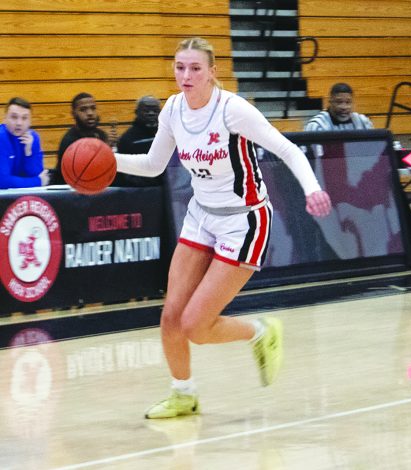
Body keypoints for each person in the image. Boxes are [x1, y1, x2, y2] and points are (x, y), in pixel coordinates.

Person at [114, 37, 332, 419]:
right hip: (201, 215)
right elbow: (153, 165)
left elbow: (288, 149)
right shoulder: (173, 110)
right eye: (180, 67)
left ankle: (262, 331)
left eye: (195, 68)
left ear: (213, 72)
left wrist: (312, 189)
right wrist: (108, 159)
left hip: (243, 220)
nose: (186, 75)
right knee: (170, 318)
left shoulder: (233, 110)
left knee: (196, 326)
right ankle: (183, 394)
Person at [50, 93, 109, 185]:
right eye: (83, 109)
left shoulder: (102, 136)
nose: (90, 113)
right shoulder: (70, 141)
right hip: (69, 192)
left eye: (93, 108)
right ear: (73, 114)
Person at [112, 95, 162, 186]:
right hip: (139, 193)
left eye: (155, 111)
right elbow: (124, 173)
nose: (151, 114)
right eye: (146, 110)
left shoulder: (165, 136)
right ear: (136, 112)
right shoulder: (127, 139)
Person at [0, 97, 48, 189]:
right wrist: (37, 181)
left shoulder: (33, 137)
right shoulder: (1, 137)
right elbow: (2, 182)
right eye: (14, 117)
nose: (19, 123)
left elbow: (37, 174)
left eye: (24, 118)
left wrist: (29, 153)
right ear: (5, 118)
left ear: (30, 122)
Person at [304, 83, 374, 131]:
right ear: (330, 101)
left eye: (348, 102)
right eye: (339, 102)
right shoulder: (317, 125)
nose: (344, 107)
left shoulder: (363, 122)